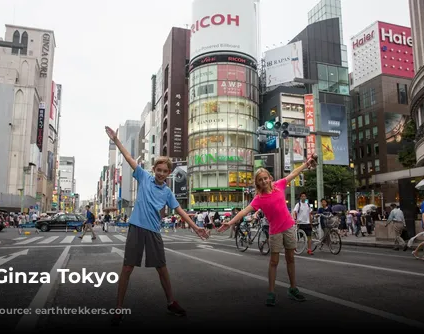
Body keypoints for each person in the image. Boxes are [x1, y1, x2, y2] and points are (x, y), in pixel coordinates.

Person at [105, 126, 209, 326]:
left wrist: (196, 228)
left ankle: (171, 302)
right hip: (136, 227)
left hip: (153, 230)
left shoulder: (168, 192)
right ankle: (118, 307)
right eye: (158, 170)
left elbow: (180, 211)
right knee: (127, 267)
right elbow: (128, 158)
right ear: (154, 170)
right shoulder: (144, 177)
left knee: (162, 268)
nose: (161, 173)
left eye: (164, 171)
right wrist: (117, 141)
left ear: (169, 173)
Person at [218, 153, 318, 306]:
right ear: (257, 183)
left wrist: (306, 164)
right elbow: (245, 211)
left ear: (270, 178)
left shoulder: (279, 185)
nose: (264, 181)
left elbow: (293, 173)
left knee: (291, 259)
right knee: (274, 261)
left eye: (265, 178)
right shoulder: (258, 198)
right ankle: (271, 293)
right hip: (275, 232)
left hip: (289, 227)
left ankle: (293, 289)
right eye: (260, 180)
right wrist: (230, 223)